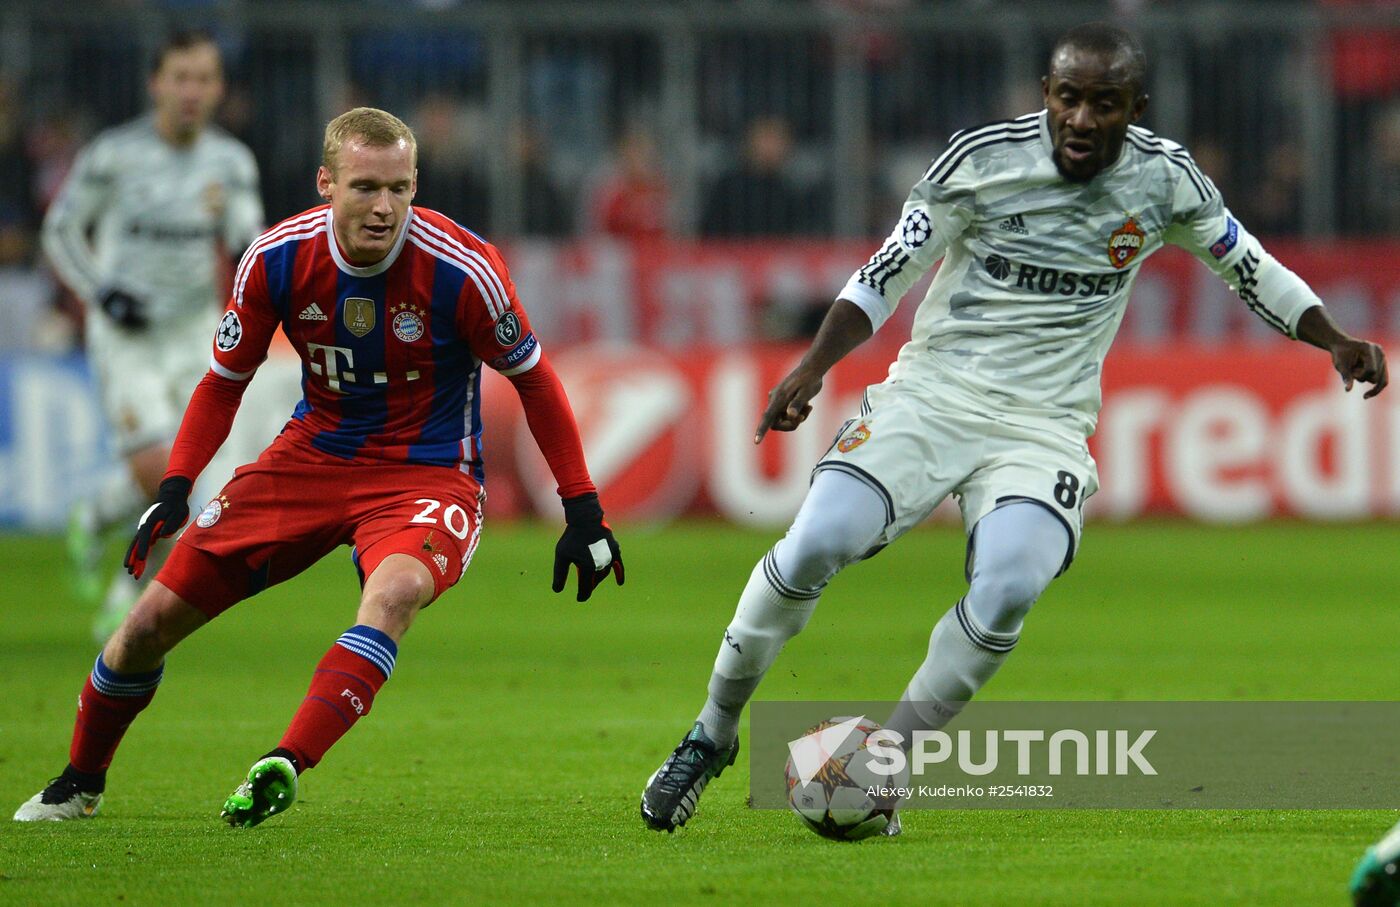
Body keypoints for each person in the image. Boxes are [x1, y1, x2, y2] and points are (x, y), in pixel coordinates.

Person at [640, 22, 1388, 834]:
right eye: (1068, 98)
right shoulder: (981, 163)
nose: (1081, 118)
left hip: (1045, 426)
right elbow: (883, 275)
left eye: (1104, 103)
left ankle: (882, 765)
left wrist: (1334, 339)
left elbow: (1251, 269)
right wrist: (813, 365)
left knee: (1007, 589)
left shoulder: (1165, 182)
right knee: (817, 541)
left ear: (1133, 108)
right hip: (931, 397)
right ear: (1046, 96)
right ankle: (710, 732)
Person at [14, 106, 623, 827]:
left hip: (427, 474)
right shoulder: (276, 257)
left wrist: (583, 508)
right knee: (146, 625)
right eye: (366, 187)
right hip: (310, 459)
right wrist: (176, 489)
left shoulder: (463, 268)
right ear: (326, 183)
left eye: (401, 187)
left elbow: (534, 378)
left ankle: (285, 761)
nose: (386, 207)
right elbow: (222, 382)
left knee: (393, 593)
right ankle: (79, 781)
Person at [40, 30, 264, 642]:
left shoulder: (231, 162)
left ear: (218, 89)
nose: (192, 92)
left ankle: (123, 590)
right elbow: (61, 231)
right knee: (159, 472)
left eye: (204, 79)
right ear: (156, 84)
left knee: (196, 489)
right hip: (127, 334)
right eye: (180, 78)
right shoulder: (114, 156)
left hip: (197, 330)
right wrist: (102, 291)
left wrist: (257, 274)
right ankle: (103, 514)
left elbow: (248, 241)